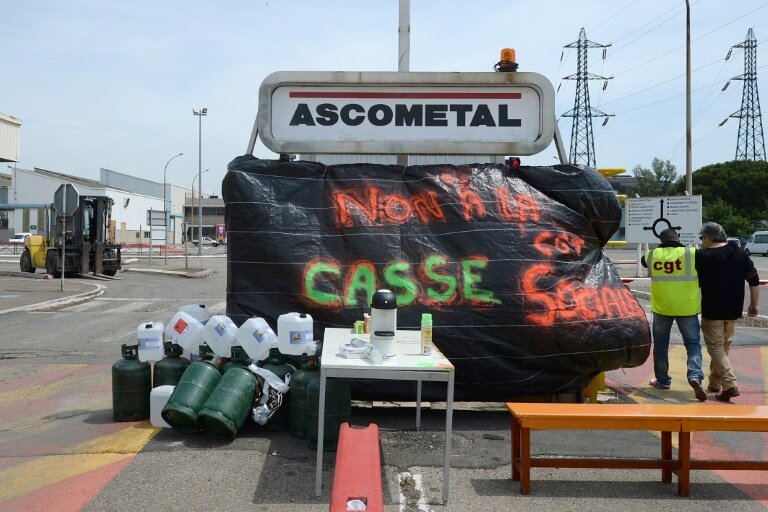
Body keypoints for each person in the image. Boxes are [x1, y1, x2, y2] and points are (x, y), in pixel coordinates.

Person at [696, 222, 760, 402]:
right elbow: (754, 280)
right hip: (733, 310)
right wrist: (754, 304)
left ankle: (730, 384)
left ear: (708, 237)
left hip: (712, 310)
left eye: (702, 238)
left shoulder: (702, 256)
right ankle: (715, 383)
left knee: (716, 348)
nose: (701, 242)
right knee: (723, 348)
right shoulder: (741, 253)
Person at [642, 228, 706, 401]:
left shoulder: (652, 254)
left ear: (661, 240)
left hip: (662, 308)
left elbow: (643, 262)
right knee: (693, 344)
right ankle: (695, 376)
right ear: (678, 237)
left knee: (661, 345)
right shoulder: (692, 253)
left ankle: (662, 380)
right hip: (687, 307)